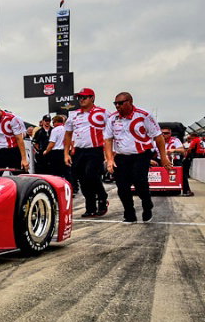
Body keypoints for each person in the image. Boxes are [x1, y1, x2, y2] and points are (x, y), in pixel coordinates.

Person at [104, 92, 171, 223]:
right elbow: (107, 140)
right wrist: (110, 159)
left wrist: (163, 157)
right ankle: (129, 214)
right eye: (115, 104)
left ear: (130, 102)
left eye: (121, 103)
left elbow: (158, 137)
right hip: (121, 156)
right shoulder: (112, 118)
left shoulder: (144, 115)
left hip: (141, 155)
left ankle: (147, 206)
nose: (118, 106)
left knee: (140, 184)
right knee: (122, 188)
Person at [63, 88, 109, 217]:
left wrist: (110, 152)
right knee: (82, 179)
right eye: (79, 97)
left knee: (91, 174)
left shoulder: (103, 112)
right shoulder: (73, 115)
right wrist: (66, 154)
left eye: (84, 97)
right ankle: (90, 207)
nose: (81, 100)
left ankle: (102, 197)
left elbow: (112, 130)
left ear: (92, 98)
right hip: (78, 151)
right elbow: (67, 135)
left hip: (96, 150)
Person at [0, 100, 29, 178]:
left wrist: (24, 159)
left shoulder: (12, 118)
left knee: (23, 177)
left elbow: (19, 139)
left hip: (13, 151)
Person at [43, 115, 67, 179]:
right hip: (66, 151)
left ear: (56, 122)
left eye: (53, 122)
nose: (52, 124)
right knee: (66, 171)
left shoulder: (55, 130)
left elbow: (52, 144)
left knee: (56, 172)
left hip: (56, 153)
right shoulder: (66, 129)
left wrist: (46, 151)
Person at [182, 132, 204, 196]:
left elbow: (190, 148)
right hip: (201, 154)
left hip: (195, 155)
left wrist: (186, 156)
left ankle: (186, 174)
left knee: (185, 167)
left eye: (190, 137)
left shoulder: (194, 140)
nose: (190, 138)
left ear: (193, 136)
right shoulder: (200, 140)